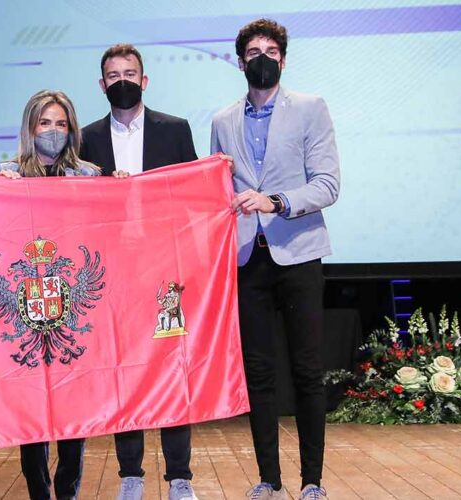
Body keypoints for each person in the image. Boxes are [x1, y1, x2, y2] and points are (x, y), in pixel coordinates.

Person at [209, 18, 340, 500]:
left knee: (307, 370)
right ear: (239, 60)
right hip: (247, 259)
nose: (262, 57)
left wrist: (276, 201)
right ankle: (269, 479)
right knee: (259, 374)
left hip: (300, 254)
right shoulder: (223, 120)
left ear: (283, 59)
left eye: (271, 49)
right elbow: (216, 191)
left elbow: (328, 184)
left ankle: (312, 481)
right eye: (253, 51)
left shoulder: (310, 109)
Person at [0, 89, 121, 500]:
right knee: (31, 411)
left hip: (72, 308)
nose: (53, 131)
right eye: (45, 123)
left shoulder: (91, 176)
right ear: (30, 127)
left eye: (61, 123)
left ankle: (68, 489)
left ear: (71, 129)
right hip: (24, 312)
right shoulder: (6, 174)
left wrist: (124, 187)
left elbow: (108, 232)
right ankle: (39, 490)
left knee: (74, 409)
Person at [78, 43, 198, 500]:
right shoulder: (87, 138)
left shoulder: (175, 129)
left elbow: (192, 194)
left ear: (144, 80)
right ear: (102, 84)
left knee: (172, 367)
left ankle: (180, 476)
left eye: (130, 73)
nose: (122, 80)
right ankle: (131, 473)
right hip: (113, 273)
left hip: (167, 267)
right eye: (113, 74)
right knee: (124, 370)